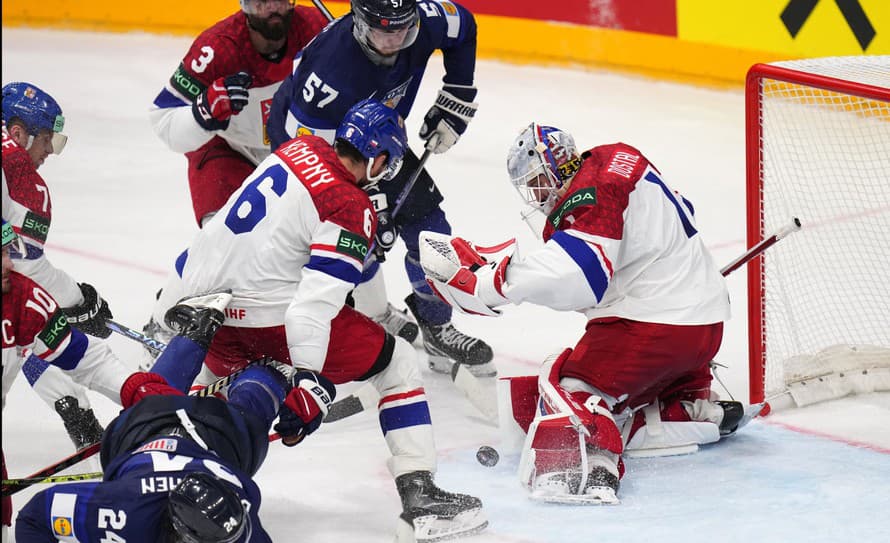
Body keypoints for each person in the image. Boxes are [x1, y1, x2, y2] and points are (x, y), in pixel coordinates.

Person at [150, 99, 487, 540]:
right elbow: (314, 304)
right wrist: (307, 377)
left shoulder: (295, 151)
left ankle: (160, 479)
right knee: (397, 362)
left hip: (208, 313)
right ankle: (421, 496)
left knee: (202, 402)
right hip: (272, 323)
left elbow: (217, 237)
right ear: (378, 157)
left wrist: (169, 311)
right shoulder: (350, 205)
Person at [418, 123, 747, 504]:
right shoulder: (618, 157)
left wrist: (494, 283)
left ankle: (596, 463)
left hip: (659, 328)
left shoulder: (590, 195)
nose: (538, 194)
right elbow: (677, 214)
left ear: (558, 165)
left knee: (570, 387)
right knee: (635, 384)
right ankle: (691, 409)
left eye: (539, 181)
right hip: (706, 327)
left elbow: (580, 275)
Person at [267, 0, 495, 377]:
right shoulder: (329, 73)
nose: (392, 41)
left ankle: (436, 327)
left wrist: (456, 94)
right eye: (381, 32)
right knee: (346, 244)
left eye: (401, 31)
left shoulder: (425, 20)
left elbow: (464, 27)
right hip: (311, 145)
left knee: (431, 231)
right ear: (358, 23)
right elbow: (308, 156)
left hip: (378, 136)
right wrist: (366, 205)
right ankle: (333, 329)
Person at [15, 291, 287, 542]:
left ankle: (206, 335)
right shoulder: (123, 513)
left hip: (168, 431)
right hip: (176, 434)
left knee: (173, 405)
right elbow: (34, 517)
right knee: (161, 403)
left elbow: (36, 517)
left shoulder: (239, 522)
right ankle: (265, 369)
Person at [2, 81, 116, 449]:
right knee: (22, 319)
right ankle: (76, 411)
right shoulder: (21, 179)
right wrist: (76, 302)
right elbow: (24, 270)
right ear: (18, 134)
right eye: (46, 138)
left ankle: (73, 408)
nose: (50, 149)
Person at [1, 220, 133, 539]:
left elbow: (81, 356)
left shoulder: (21, 297)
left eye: (6, 252)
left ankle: (74, 410)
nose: (8, 263)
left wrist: (137, 388)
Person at [149, 0, 327, 227]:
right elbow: (164, 118)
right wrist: (206, 111)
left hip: (299, 152)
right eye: (262, 2)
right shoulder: (218, 48)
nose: (273, 8)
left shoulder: (316, 28)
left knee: (333, 238)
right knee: (222, 243)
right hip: (229, 150)